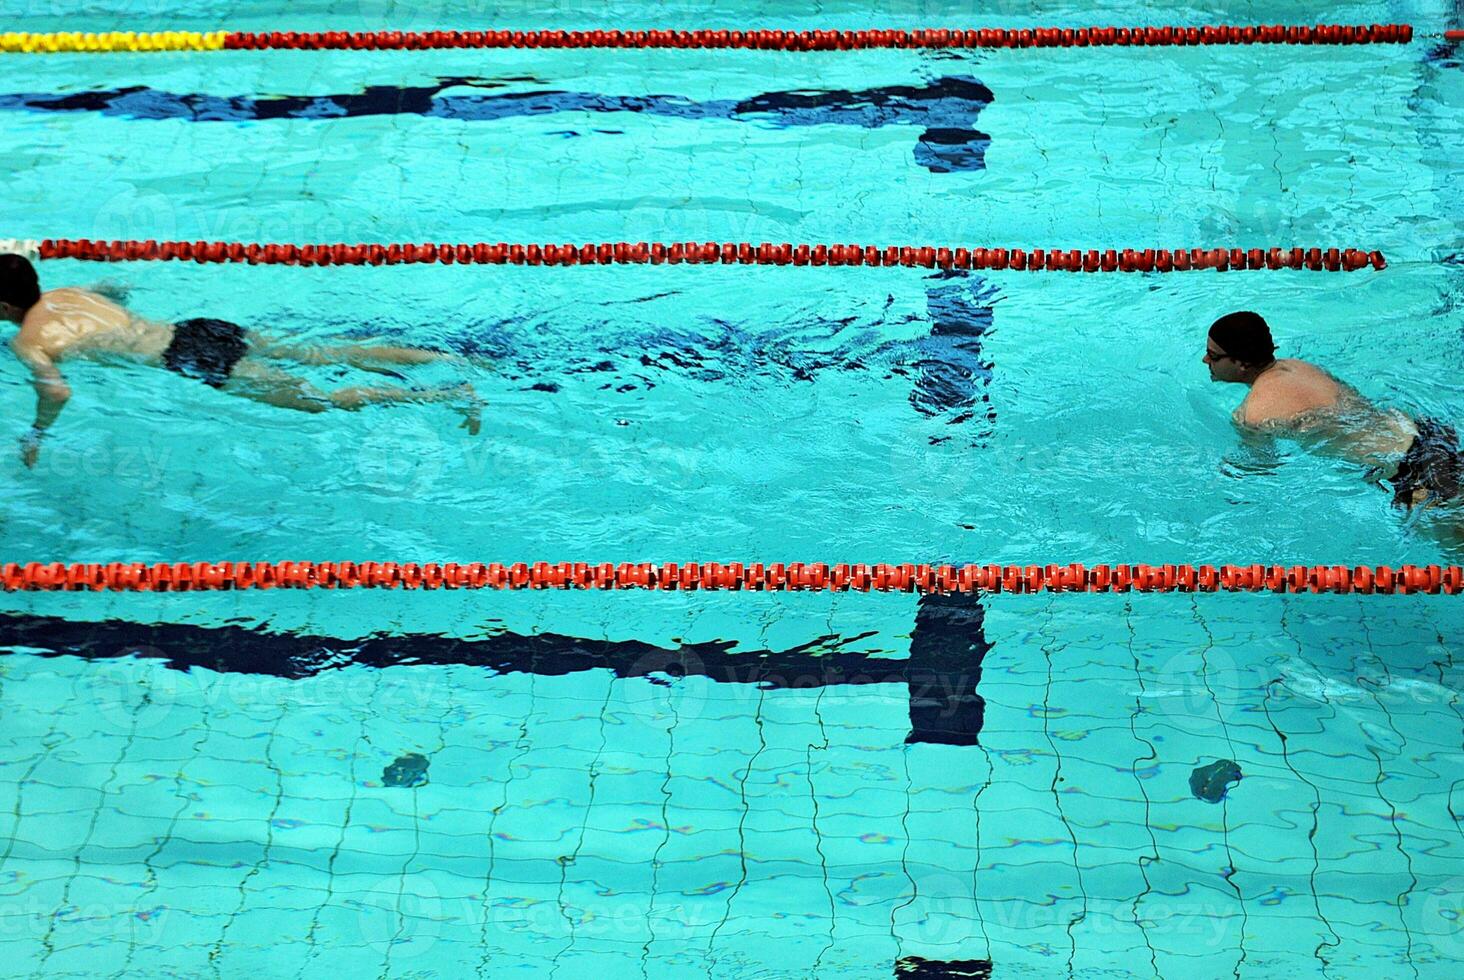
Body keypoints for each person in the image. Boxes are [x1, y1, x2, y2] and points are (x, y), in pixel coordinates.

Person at [1, 253, 480, 467]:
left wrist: (35, 432)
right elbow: (115, 287)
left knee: (324, 402)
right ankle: (448, 359)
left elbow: (56, 389)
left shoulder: (27, 340)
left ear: (4, 308)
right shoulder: (66, 293)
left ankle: (445, 396)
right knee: (333, 351)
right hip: (197, 327)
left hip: (189, 357)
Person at [1204, 310, 1460, 512]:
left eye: (1213, 356)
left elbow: (1262, 468)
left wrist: (1219, 476)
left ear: (1241, 364)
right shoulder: (1302, 368)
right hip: (1429, 433)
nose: (1206, 361)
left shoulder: (1253, 414)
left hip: (1411, 473)